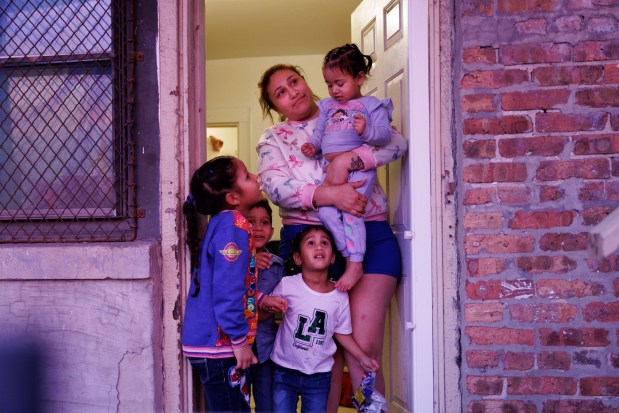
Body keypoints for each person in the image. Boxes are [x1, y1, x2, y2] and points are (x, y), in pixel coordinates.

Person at [256, 63, 406, 412]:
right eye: (281, 92)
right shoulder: (273, 138)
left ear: (305, 80)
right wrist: (330, 195)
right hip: (311, 244)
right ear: (276, 107)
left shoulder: (350, 108)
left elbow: (396, 141)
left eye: (294, 81)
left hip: (371, 234)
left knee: (364, 348)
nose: (292, 92)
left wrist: (352, 159)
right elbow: (277, 188)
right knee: (322, 353)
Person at [180, 156, 287, 412]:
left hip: (212, 345)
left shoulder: (223, 223)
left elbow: (232, 283)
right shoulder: (234, 226)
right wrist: (239, 342)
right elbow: (228, 292)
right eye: (247, 176)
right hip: (221, 347)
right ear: (233, 198)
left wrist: (261, 299)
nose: (256, 176)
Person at [301, 43, 394, 292]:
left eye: (339, 83)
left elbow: (386, 136)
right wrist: (312, 144)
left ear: (359, 77)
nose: (334, 90)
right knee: (327, 213)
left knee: (352, 213)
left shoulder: (371, 105)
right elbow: (321, 132)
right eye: (329, 84)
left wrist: (367, 130)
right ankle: (347, 253)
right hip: (332, 171)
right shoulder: (328, 107)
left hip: (359, 170)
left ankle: (355, 263)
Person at [270, 225, 379, 413]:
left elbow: (341, 333)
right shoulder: (287, 285)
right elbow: (268, 312)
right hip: (284, 370)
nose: (319, 247)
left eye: (324, 243)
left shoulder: (339, 295)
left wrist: (362, 357)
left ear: (333, 257)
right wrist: (268, 303)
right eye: (311, 243)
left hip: (319, 376)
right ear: (298, 258)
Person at [246, 199, 285, 413]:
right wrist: (251, 265)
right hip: (237, 349)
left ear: (271, 231)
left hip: (266, 350)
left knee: (267, 405)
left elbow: (269, 312)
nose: (258, 228)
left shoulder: (277, 266)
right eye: (251, 222)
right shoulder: (233, 263)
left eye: (264, 223)